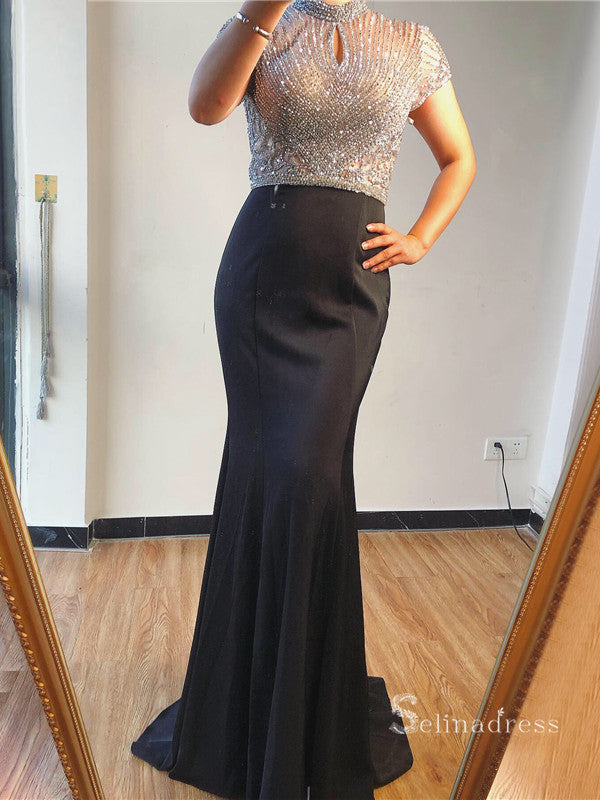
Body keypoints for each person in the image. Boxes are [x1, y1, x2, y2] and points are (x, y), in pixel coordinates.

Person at [130, 1, 476, 798]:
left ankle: (305, 707)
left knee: (312, 477)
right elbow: (206, 107)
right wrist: (260, 11)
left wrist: (420, 237)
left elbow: (458, 157)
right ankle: (247, 705)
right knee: (266, 473)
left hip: (351, 294)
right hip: (261, 281)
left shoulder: (412, 44)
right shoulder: (265, 22)